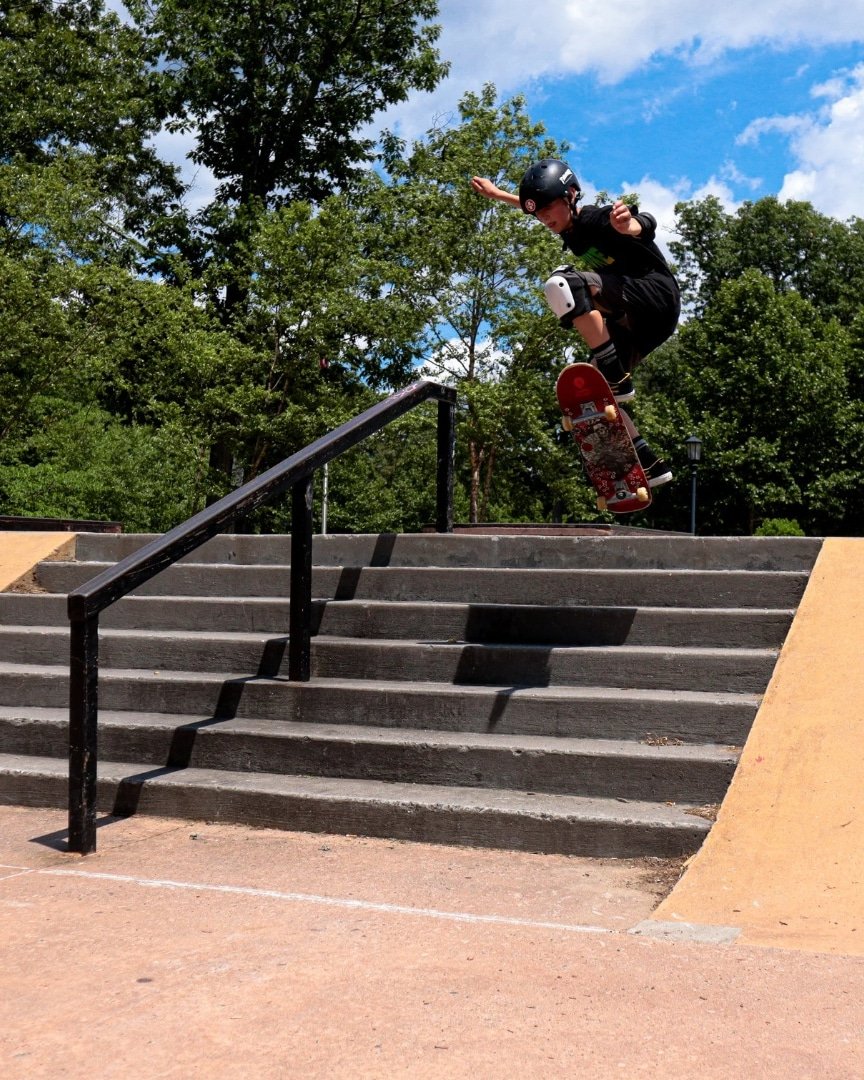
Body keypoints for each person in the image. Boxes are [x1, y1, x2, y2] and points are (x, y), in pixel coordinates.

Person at [471, 158, 679, 488]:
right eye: (537, 214)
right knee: (590, 396)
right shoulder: (564, 224)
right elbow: (538, 205)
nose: (544, 219)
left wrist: (629, 225)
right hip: (642, 323)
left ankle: (617, 376)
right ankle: (648, 466)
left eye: (548, 210)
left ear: (570, 197)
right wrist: (499, 195)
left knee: (564, 284)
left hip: (654, 296)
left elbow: (646, 223)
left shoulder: (595, 219)